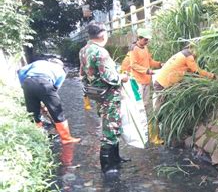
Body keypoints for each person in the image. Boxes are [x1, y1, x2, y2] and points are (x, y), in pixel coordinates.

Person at [79, 22, 130, 174]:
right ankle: (108, 167)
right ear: (102, 34)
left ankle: (116, 158)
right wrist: (122, 77)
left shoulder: (84, 50)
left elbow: (82, 73)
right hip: (108, 94)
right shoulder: (101, 52)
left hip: (96, 93)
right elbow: (110, 77)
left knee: (111, 124)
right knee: (111, 127)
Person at [152, 45, 215, 141]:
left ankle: (167, 132)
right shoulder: (188, 56)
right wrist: (211, 75)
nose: (197, 56)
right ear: (193, 49)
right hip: (163, 85)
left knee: (165, 109)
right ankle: (156, 136)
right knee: (160, 111)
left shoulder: (182, 54)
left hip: (162, 83)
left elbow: (189, 71)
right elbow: (196, 71)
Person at [17, 57, 81, 144]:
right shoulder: (61, 72)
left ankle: (36, 137)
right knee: (57, 111)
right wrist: (48, 104)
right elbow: (54, 89)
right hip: (45, 83)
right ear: (61, 66)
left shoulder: (38, 62)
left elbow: (20, 71)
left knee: (33, 112)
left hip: (27, 83)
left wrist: (23, 84)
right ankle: (66, 139)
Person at [121, 28, 163, 145]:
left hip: (146, 81)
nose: (147, 42)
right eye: (145, 40)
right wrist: (147, 71)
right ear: (139, 38)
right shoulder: (134, 49)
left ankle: (150, 133)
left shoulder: (145, 48)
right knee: (139, 107)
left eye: (147, 40)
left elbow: (150, 61)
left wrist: (159, 64)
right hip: (137, 81)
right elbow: (133, 65)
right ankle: (140, 133)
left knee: (147, 107)